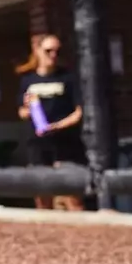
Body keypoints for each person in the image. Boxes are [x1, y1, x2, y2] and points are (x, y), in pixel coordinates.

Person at [17, 33, 86, 212]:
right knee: (42, 197)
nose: (53, 55)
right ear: (37, 51)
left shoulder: (68, 78)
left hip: (65, 144)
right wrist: (27, 109)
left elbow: (79, 112)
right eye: (48, 51)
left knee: (72, 198)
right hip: (38, 144)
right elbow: (22, 113)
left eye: (57, 51)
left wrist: (56, 126)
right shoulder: (28, 80)